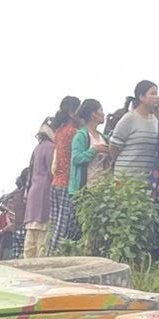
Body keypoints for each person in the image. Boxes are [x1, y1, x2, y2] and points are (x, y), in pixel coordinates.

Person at [58, 99, 105, 244]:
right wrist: (94, 150)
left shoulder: (102, 137)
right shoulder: (81, 135)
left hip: (100, 189)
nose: (103, 114)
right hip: (83, 190)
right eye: (101, 110)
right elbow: (76, 159)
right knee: (77, 230)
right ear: (93, 114)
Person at [107, 81, 159, 179]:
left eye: (156, 94)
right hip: (126, 178)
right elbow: (114, 147)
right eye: (152, 94)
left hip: (146, 178)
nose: (156, 97)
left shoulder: (155, 121)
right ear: (141, 97)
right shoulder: (129, 118)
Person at [46, 96, 81, 251]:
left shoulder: (59, 131)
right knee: (63, 226)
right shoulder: (74, 132)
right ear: (72, 112)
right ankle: (56, 256)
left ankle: (48, 253)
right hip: (67, 183)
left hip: (56, 183)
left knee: (54, 226)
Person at [21, 120, 54, 257]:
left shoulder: (37, 148)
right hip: (45, 192)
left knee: (30, 239)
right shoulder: (51, 147)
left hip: (33, 192)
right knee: (42, 239)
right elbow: (52, 171)